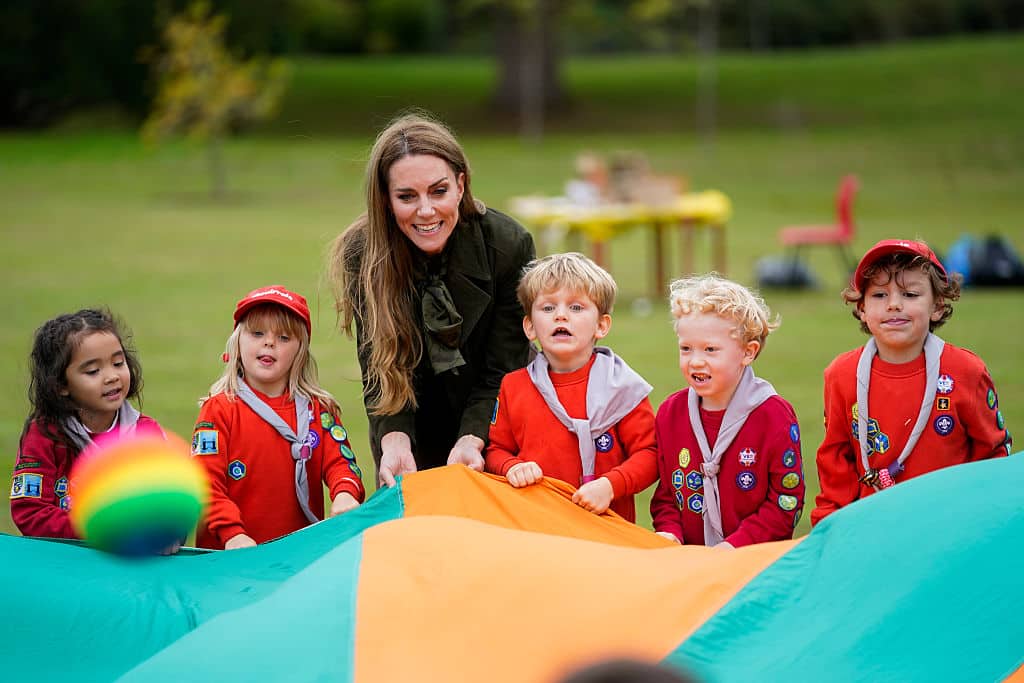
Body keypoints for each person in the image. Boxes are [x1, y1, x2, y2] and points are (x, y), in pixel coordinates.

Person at [327, 112, 536, 487]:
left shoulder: (508, 245)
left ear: (460, 185)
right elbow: (379, 365)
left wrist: (472, 437)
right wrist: (393, 438)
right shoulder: (363, 253)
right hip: (409, 434)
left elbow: (505, 368)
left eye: (438, 191)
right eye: (406, 196)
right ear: (386, 199)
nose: (425, 211)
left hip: (494, 428)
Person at [811, 239, 1011, 525]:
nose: (894, 304)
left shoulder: (966, 372)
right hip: (872, 530)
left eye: (910, 294)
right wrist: (828, 527)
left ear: (937, 306)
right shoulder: (841, 375)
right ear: (862, 309)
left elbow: (992, 459)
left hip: (949, 529)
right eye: (880, 295)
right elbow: (835, 464)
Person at [484, 252, 658, 522]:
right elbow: (496, 450)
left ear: (601, 325)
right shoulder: (514, 387)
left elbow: (650, 454)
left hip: (605, 530)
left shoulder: (622, 388)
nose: (561, 316)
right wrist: (512, 467)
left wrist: (611, 485)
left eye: (576, 308)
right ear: (530, 327)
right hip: (537, 527)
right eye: (548, 308)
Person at [192, 285, 364, 550]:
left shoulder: (318, 410)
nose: (269, 342)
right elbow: (205, 483)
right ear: (237, 342)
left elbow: (341, 463)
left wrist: (345, 492)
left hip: (298, 558)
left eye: (284, 337)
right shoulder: (218, 410)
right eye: (257, 333)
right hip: (230, 558)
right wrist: (233, 534)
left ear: (300, 351)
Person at [650, 274, 804, 548]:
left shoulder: (774, 416)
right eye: (686, 348)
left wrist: (733, 548)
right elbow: (667, 496)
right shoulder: (670, 413)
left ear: (747, 352)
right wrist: (669, 533)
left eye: (710, 349)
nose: (696, 361)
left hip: (753, 563)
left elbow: (785, 501)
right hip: (690, 562)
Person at [11, 309, 165, 538]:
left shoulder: (146, 433)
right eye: (93, 371)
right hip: (61, 558)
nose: (112, 376)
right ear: (60, 385)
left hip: (126, 559)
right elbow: (30, 512)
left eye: (118, 363)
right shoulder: (44, 435)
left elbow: (167, 505)